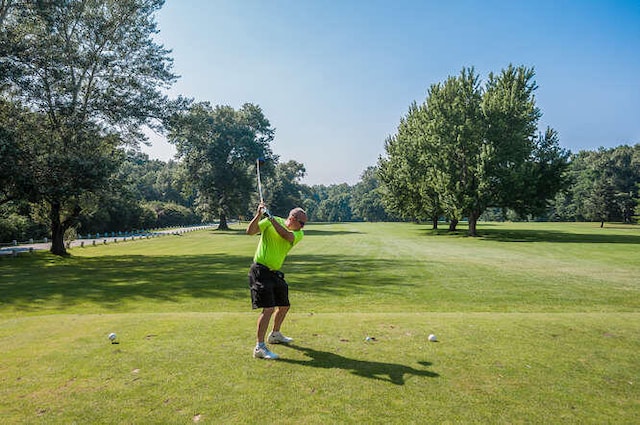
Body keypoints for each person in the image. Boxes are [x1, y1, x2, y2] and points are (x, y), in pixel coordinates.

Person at [246, 202, 307, 360]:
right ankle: (259, 347)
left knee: (285, 305)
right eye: (301, 223)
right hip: (260, 270)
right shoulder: (270, 221)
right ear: (292, 218)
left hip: (274, 273)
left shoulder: (298, 234)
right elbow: (250, 232)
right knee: (268, 309)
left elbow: (285, 236)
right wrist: (259, 215)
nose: (303, 226)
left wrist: (270, 217)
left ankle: (275, 334)